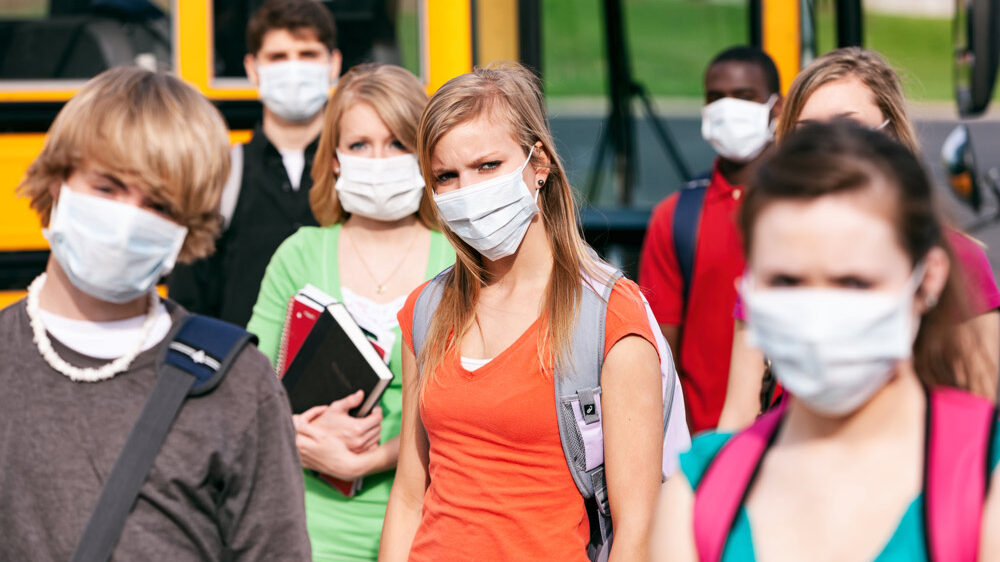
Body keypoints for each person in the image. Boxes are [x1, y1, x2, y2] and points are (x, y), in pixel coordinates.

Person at [379, 63, 687, 562]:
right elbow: (411, 496)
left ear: (538, 162)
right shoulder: (427, 310)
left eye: (487, 166)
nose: (468, 192)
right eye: (445, 176)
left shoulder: (608, 316)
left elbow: (637, 529)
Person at [653, 120, 1000, 561]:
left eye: (853, 282)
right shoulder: (699, 495)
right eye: (787, 281)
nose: (817, 314)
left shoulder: (985, 479)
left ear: (927, 279)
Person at [0, 67, 310, 560]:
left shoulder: (236, 383)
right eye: (107, 187)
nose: (128, 219)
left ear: (188, 229)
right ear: (57, 183)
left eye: (161, 205)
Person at [717, 47, 1000, 429]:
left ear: (893, 136)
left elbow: (984, 411)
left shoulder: (959, 259)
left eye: (850, 128)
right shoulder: (774, 264)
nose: (830, 148)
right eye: (809, 135)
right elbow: (738, 416)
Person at [246, 63, 455, 560]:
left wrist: (365, 461)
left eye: (398, 143)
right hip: (302, 525)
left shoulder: (457, 260)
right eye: (360, 144)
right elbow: (249, 388)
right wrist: (296, 436)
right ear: (335, 158)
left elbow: (474, 414)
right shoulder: (298, 253)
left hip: (429, 523)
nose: (378, 159)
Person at [168, 0, 342, 327]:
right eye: (278, 57)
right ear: (252, 68)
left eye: (307, 55)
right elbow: (189, 302)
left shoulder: (360, 170)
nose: (294, 69)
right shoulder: (221, 173)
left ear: (333, 64)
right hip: (242, 370)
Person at [639, 46, 782, 434]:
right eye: (715, 98)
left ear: (777, 108)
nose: (727, 108)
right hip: (703, 443)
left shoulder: (802, 207)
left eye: (743, 96)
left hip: (792, 438)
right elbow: (658, 351)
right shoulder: (675, 217)